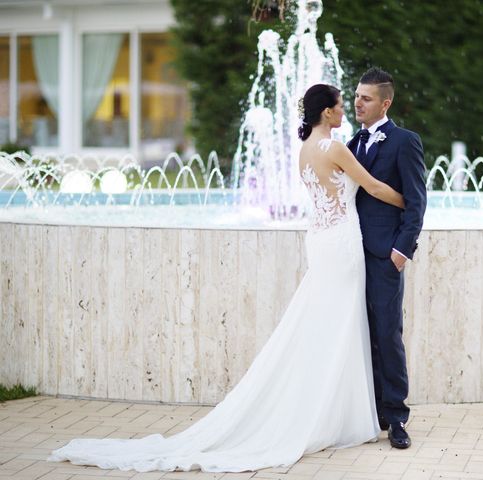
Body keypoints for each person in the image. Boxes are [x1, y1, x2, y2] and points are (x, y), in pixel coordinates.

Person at [47, 83, 405, 473]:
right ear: (326, 113)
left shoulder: (303, 151)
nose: (344, 111)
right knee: (339, 322)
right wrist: (409, 202)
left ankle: (333, 408)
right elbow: (370, 186)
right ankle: (333, 413)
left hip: (320, 239)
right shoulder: (334, 147)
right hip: (340, 243)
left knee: (325, 322)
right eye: (339, 106)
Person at [347, 67, 427, 449]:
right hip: (350, 256)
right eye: (357, 95)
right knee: (361, 333)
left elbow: (416, 203)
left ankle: (396, 416)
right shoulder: (350, 143)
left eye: (365, 97)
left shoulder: (405, 142)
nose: (357, 102)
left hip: (385, 257)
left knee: (387, 333)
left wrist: (400, 252)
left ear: (385, 102)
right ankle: (372, 410)